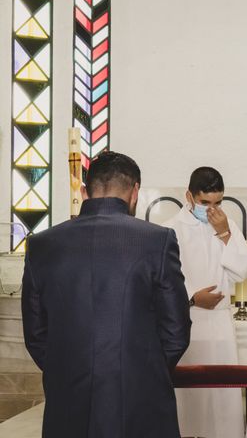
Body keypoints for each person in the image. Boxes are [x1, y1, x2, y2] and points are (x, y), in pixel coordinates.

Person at [21, 151, 191, 438]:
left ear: (85, 191)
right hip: (140, 401)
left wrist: (69, 367)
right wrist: (140, 372)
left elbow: (36, 334)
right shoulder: (158, 240)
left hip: (68, 398)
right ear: (135, 191)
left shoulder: (41, 245)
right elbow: (176, 330)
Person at [165, 167, 247, 438]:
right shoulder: (170, 229)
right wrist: (192, 298)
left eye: (218, 203)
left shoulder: (227, 226)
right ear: (189, 197)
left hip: (220, 325)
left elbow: (243, 270)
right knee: (188, 403)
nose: (212, 209)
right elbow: (163, 282)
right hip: (186, 325)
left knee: (221, 400)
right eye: (205, 203)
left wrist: (225, 234)